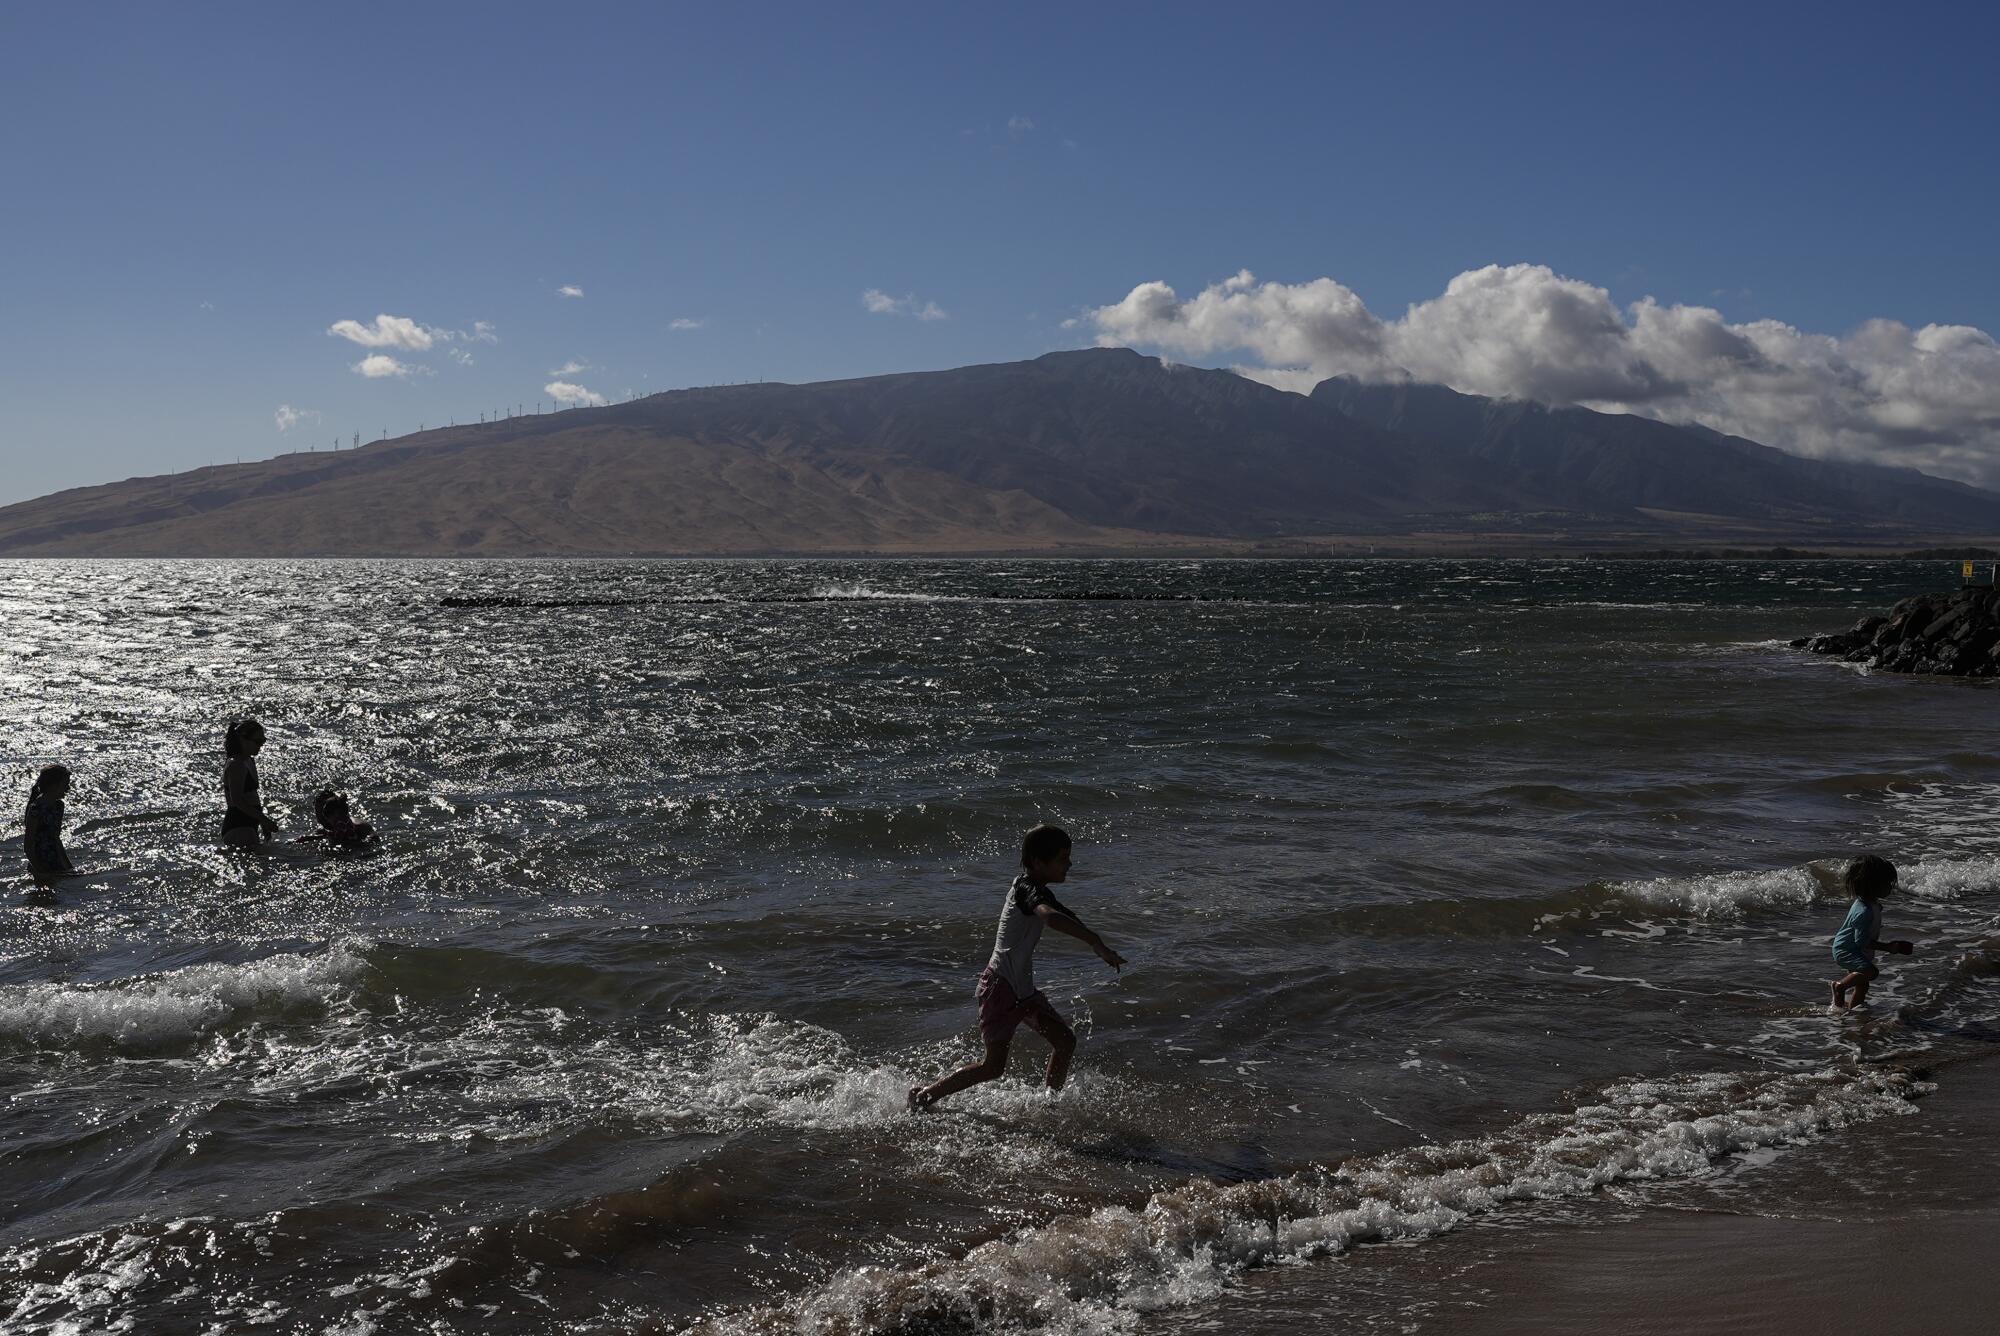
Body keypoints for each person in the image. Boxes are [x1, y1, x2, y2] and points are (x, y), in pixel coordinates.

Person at [908, 824, 1126, 1113]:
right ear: (1038, 862)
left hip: (1022, 992)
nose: (1070, 864)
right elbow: (1049, 918)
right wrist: (1095, 941)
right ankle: (924, 1097)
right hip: (1000, 989)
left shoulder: (1040, 890)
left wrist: (1100, 948)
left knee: (1065, 1041)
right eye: (1062, 858)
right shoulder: (1026, 890)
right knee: (993, 1067)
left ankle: (1048, 1106)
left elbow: (1065, 915)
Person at [1830, 853, 1913, 1011]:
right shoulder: (1864, 911)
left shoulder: (1870, 904)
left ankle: (1848, 1012)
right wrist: (1888, 947)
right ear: (1873, 885)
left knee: (1863, 985)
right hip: (1847, 950)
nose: (1891, 887)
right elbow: (1861, 941)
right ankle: (1839, 987)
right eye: (1887, 883)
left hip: (1851, 948)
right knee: (1871, 972)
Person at [222, 719, 280, 846]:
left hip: (250, 823)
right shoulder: (236, 764)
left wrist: (262, 822)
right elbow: (237, 800)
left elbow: (253, 797)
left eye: (263, 741)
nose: (260, 746)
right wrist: (264, 820)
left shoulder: (248, 761)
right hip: (238, 824)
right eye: (257, 742)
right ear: (243, 740)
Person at [23, 764, 77, 883]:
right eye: (65, 784)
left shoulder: (59, 806)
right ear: (53, 785)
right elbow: (28, 846)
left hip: (55, 861)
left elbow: (56, 839)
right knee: (41, 898)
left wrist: (69, 867)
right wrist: (41, 870)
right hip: (39, 863)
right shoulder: (35, 809)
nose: (68, 789)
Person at [305, 789, 377, 848]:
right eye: (317, 811)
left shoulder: (359, 826)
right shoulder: (321, 832)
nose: (319, 816)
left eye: (322, 811)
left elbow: (374, 839)